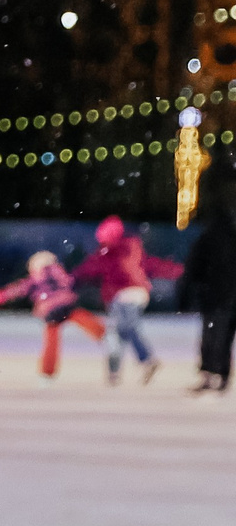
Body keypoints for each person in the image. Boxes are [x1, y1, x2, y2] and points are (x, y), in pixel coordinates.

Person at [73, 214, 180, 386]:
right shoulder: (132, 248)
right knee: (123, 330)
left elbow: (90, 268)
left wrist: (73, 279)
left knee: (123, 330)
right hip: (133, 294)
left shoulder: (110, 252)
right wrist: (176, 270)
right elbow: (150, 264)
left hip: (125, 295)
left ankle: (134, 364)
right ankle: (128, 367)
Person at [0, 250, 104, 384]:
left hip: (50, 309)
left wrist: (3, 295)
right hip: (64, 303)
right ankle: (102, 333)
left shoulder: (36, 277)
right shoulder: (55, 271)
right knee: (80, 317)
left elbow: (20, 288)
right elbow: (68, 282)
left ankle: (47, 372)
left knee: (51, 340)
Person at [180, 162, 235, 395]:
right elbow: (196, 263)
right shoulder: (217, 234)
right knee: (218, 334)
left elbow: (196, 263)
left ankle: (213, 374)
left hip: (218, 294)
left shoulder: (212, 234)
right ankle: (217, 374)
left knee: (215, 334)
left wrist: (188, 287)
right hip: (220, 293)